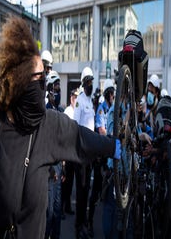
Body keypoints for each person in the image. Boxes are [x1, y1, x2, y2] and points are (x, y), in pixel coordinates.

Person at [0, 16, 121, 239]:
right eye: (40, 79)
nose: (44, 86)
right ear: (20, 81)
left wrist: (116, 147)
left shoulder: (49, 124)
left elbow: (83, 137)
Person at [88, 79, 115, 238]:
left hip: (109, 156)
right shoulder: (102, 110)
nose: (112, 96)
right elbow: (101, 130)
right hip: (101, 157)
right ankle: (90, 222)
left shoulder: (114, 108)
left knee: (108, 194)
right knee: (96, 191)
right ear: (107, 94)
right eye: (111, 93)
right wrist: (111, 136)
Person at [73, 66, 95, 239]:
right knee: (81, 192)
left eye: (91, 81)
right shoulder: (80, 101)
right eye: (88, 82)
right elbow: (76, 127)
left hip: (90, 154)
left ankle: (83, 223)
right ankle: (79, 226)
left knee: (86, 190)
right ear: (83, 83)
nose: (90, 84)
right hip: (81, 153)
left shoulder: (90, 101)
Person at [44, 70, 63, 239]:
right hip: (49, 168)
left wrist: (62, 164)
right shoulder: (45, 111)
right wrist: (51, 168)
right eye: (55, 87)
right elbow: (44, 142)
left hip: (59, 166)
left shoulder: (60, 110)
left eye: (59, 87)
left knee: (57, 211)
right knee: (48, 213)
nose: (58, 90)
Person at [61, 89, 79, 218]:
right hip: (66, 151)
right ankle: (61, 208)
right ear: (71, 98)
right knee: (65, 181)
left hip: (74, 151)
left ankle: (67, 206)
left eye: (77, 97)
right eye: (74, 97)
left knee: (70, 181)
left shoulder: (76, 110)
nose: (75, 99)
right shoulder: (67, 111)